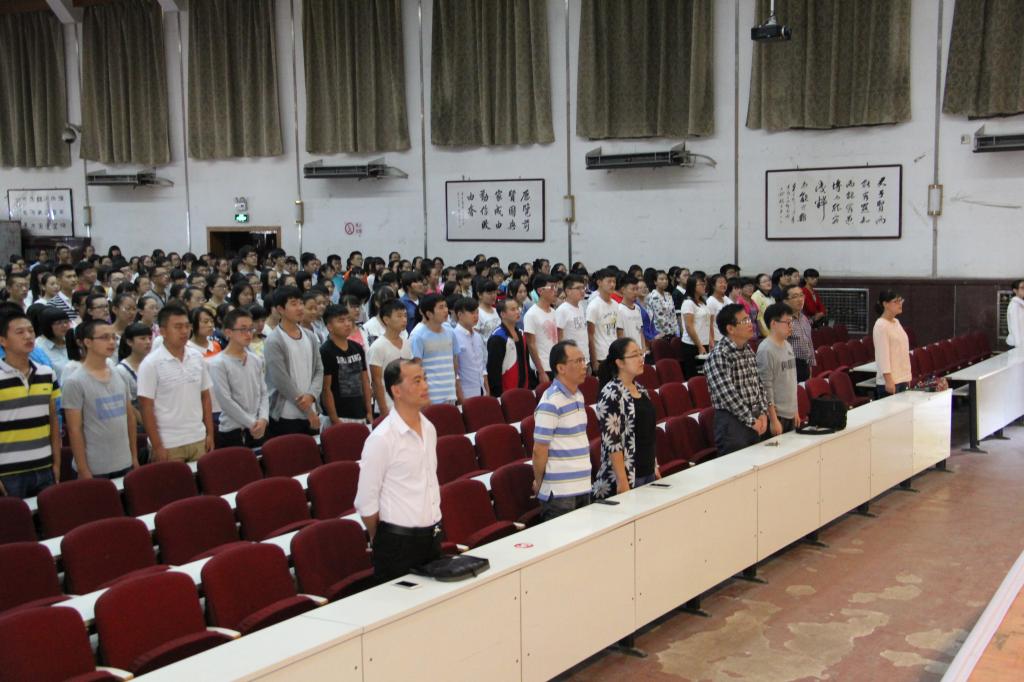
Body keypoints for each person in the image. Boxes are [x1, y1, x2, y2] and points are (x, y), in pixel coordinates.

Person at [354, 358, 442, 583]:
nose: (425, 386)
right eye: (417, 381)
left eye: (425, 379)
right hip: (398, 542)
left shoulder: (429, 428)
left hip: (432, 535)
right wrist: (382, 537)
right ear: (396, 390)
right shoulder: (382, 439)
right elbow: (366, 501)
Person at [137, 303, 215, 463]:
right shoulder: (150, 364)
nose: (184, 331)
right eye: (178, 327)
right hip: (168, 443)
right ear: (163, 331)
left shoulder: (197, 357)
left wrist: (210, 434)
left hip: (198, 437)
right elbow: (146, 408)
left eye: (187, 326)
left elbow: (206, 397)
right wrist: (157, 446)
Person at [63, 320, 138, 479]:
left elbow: (130, 418)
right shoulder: (74, 381)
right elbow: (74, 430)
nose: (111, 342)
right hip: (95, 467)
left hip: (125, 462)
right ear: (87, 342)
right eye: (104, 337)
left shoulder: (119, 374)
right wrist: (83, 469)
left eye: (113, 337)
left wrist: (134, 457)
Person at [0, 304, 62, 498]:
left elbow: (53, 421)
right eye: (20, 332)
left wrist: (56, 463)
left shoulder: (46, 373)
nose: (28, 336)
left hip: (44, 466)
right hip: (8, 472)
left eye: (31, 331)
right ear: (3, 340)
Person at [592, 338, 660, 500]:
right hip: (626, 476)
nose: (641, 359)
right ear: (620, 363)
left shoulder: (641, 389)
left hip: (647, 470)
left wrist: (654, 465)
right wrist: (622, 481)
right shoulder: (611, 394)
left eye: (641, 354)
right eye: (634, 355)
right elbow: (612, 442)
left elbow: (648, 432)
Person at [532, 341, 591, 520]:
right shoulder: (550, 402)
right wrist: (540, 482)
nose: (584, 366)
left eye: (584, 360)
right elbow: (539, 449)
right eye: (578, 361)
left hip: (583, 484)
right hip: (560, 492)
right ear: (561, 368)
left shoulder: (578, 396)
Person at [705, 304, 769, 455]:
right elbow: (728, 396)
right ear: (730, 329)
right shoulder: (720, 354)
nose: (750, 324)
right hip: (732, 423)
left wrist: (763, 412)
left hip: (754, 417)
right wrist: (751, 420)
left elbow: (758, 383)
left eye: (749, 319)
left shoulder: (748, 349)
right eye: (744, 321)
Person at [264, 286, 324, 436]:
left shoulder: (310, 336)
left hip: (311, 407)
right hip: (286, 414)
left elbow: (319, 369)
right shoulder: (274, 340)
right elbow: (282, 381)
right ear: (281, 309)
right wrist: (308, 410)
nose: (300, 308)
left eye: (301, 303)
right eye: (293, 304)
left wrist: (311, 395)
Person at [209, 309, 269, 448]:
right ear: (228, 332)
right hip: (233, 430)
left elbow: (263, 392)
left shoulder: (255, 360)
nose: (248, 334)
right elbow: (225, 400)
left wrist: (263, 419)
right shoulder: (218, 363)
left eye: (250, 329)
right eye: (243, 329)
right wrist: (251, 423)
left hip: (259, 427)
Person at [320, 304, 372, 425]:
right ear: (329, 327)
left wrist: (369, 411)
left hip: (360, 412)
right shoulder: (326, 351)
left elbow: (365, 381)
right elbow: (326, 389)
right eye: (341, 321)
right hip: (338, 415)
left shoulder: (357, 348)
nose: (347, 324)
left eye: (349, 320)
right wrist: (335, 419)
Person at [756, 303, 801, 436]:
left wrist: (795, 410)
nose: (791, 326)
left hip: (790, 412)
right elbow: (766, 387)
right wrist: (773, 419)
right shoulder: (765, 350)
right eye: (787, 322)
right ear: (773, 323)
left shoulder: (788, 345)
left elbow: (793, 381)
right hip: (777, 415)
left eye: (791, 322)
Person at [409, 294, 461, 405]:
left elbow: (455, 361)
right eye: (441, 307)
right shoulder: (417, 335)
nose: (446, 310)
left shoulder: (449, 330)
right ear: (429, 313)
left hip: (450, 393)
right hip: (430, 396)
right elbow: (416, 368)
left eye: (446, 306)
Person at [368, 299, 413, 418]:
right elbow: (376, 381)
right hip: (388, 406)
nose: (404, 320)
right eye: (399, 316)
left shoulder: (407, 343)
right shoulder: (378, 347)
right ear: (386, 320)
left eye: (405, 315)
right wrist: (383, 409)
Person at [115, 322, 152, 463]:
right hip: (138, 426)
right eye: (142, 338)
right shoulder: (121, 370)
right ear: (130, 342)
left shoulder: (152, 363)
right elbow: (128, 405)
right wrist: (147, 424)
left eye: (149, 338)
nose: (148, 342)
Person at [487, 298, 532, 396]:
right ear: (503, 314)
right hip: (505, 393)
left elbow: (526, 362)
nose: (517, 312)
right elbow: (493, 370)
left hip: (524, 388)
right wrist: (498, 395)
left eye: (517, 308)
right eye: (513, 309)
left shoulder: (522, 334)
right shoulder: (497, 337)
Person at [873, 290, 912, 398]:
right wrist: (888, 380)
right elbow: (883, 356)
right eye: (896, 301)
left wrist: (907, 377)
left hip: (902, 378)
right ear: (885, 304)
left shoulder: (896, 322)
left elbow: (902, 350)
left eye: (900, 300)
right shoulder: (881, 325)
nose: (900, 304)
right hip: (891, 382)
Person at [523, 274, 560, 381]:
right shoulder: (531, 314)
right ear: (540, 291)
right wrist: (541, 372)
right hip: (543, 368)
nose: (555, 291)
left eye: (556, 287)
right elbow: (531, 345)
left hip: (556, 365)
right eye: (552, 287)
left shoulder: (554, 312)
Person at [453, 297, 487, 398]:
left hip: (482, 389)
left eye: (477, 312)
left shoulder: (478, 336)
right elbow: (455, 372)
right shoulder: (453, 337)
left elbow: (483, 365)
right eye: (472, 313)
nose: (476, 316)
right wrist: (461, 397)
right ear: (460, 315)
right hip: (466, 392)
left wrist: (487, 389)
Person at [586, 268, 619, 375]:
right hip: (601, 356)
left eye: (614, 281)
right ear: (599, 282)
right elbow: (590, 335)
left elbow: (617, 331)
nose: (612, 285)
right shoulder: (593, 306)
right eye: (609, 281)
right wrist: (594, 361)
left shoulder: (616, 305)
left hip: (615, 354)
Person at [679, 274, 712, 378]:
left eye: (704, 284)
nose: (704, 286)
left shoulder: (703, 302)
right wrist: (699, 345)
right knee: (694, 376)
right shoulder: (688, 303)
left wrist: (710, 341)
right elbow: (689, 327)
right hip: (692, 344)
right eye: (701, 284)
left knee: (705, 375)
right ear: (693, 286)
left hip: (704, 343)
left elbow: (707, 323)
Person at [781, 285, 816, 382]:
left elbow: (809, 343)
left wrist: (810, 366)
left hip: (805, 366)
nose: (800, 299)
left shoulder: (804, 318)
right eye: (795, 296)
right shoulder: (783, 320)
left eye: (801, 295)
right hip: (791, 367)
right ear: (785, 301)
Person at [556, 274, 590, 368]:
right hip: (571, 361)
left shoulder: (581, 307)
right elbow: (559, 338)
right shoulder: (562, 310)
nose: (582, 291)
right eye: (578, 288)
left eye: (583, 287)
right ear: (568, 291)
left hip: (585, 358)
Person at [34, 307, 72, 380]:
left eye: (66, 321)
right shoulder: (37, 347)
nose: (64, 325)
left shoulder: (72, 340)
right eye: (59, 323)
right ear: (47, 326)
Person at [615, 274, 647, 354]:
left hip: (639, 351)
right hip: (628, 353)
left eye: (637, 289)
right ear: (623, 290)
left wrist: (643, 348)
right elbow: (620, 335)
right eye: (633, 289)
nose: (636, 292)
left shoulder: (637, 308)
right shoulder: (619, 309)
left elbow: (640, 331)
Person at [645, 270, 678, 338]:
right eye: (661, 279)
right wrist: (669, 333)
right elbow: (660, 318)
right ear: (655, 282)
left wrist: (675, 330)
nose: (665, 281)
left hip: (672, 332)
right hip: (660, 333)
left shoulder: (668, 295)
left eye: (666, 279)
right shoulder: (653, 296)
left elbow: (673, 313)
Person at [751, 273, 775, 338]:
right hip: (762, 333)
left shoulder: (772, 298)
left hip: (772, 330)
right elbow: (757, 318)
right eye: (764, 281)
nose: (768, 283)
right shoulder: (756, 296)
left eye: (769, 280)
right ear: (758, 285)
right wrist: (764, 333)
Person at [1007, 279, 1024, 348]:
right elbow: (1015, 327)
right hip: (1016, 344)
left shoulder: (1021, 304)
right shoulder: (1014, 305)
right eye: (1022, 288)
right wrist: (1019, 347)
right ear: (1015, 290)